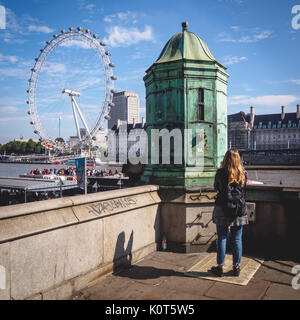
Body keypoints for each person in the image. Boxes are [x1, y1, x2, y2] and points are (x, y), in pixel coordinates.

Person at [210, 149, 248, 277]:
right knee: (237, 238)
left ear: (226, 158)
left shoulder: (220, 172)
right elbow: (243, 191)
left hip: (222, 207)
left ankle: (220, 266)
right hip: (239, 208)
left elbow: (216, 187)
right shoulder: (243, 173)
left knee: (222, 237)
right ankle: (236, 266)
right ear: (238, 159)